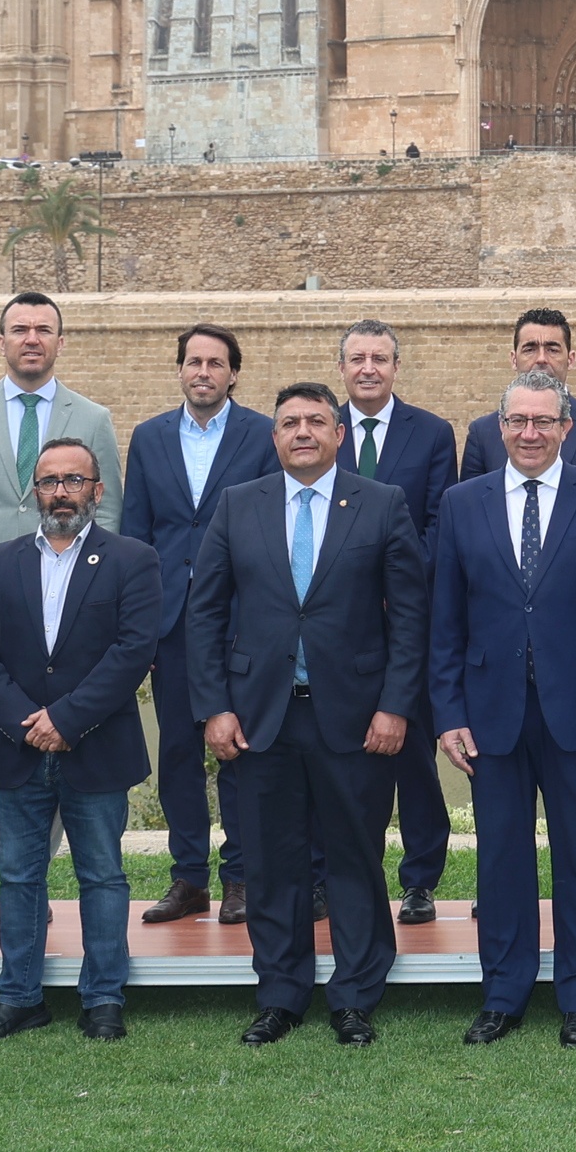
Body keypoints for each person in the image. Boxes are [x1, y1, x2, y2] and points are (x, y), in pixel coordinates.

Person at [187, 382, 425, 1047]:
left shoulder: (381, 505)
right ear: (274, 437)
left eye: (316, 421)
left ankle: (354, 995)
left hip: (354, 716)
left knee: (353, 857)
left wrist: (395, 706)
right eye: (289, 422)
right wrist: (213, 708)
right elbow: (203, 613)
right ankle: (281, 994)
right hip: (261, 716)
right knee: (270, 860)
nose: (302, 432)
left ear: (339, 433)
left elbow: (410, 619)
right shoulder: (238, 506)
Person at [431, 373, 576, 1047]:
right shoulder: (462, 503)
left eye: (544, 422)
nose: (531, 433)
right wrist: (447, 712)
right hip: (490, 708)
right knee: (500, 857)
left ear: (566, 428)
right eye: (519, 421)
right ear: (501, 428)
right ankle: (504, 992)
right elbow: (445, 622)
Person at [0, 293, 121, 940]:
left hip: (67, 615)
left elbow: (110, 516)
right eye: (19, 329)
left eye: (43, 329)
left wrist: (101, 610)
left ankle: (28, 871)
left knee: (58, 743)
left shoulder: (92, 417)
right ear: (0, 340)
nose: (31, 338)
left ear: (60, 341)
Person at [0, 437, 163, 1042]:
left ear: (97, 491)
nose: (62, 492)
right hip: (20, 746)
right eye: (50, 481)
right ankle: (19, 997)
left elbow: (134, 652)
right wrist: (29, 720)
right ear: (34, 493)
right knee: (19, 876)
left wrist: (67, 719)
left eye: (75, 481)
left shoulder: (133, 559)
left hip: (95, 745)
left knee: (102, 875)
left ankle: (103, 997)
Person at [120, 322, 277, 928]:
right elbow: (137, 534)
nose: (203, 372)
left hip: (243, 618)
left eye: (216, 363)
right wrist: (139, 623)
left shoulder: (263, 433)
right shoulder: (150, 437)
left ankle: (241, 876)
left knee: (238, 749)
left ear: (234, 372)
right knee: (179, 751)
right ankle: (189, 878)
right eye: (193, 362)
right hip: (171, 622)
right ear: (180, 369)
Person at [340, 318, 461, 924]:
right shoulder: (318, 429)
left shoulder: (433, 433)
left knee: (412, 753)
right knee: (340, 752)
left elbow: (442, 523)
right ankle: (340, 874)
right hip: (334, 626)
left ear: (395, 367)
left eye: (379, 358)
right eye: (358, 357)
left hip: (407, 619)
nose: (369, 367)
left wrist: (400, 589)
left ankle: (420, 879)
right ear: (343, 368)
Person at [461, 306, 576, 480]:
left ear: (570, 359)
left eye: (552, 349)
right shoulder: (483, 432)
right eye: (530, 349)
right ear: (514, 360)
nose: (541, 358)